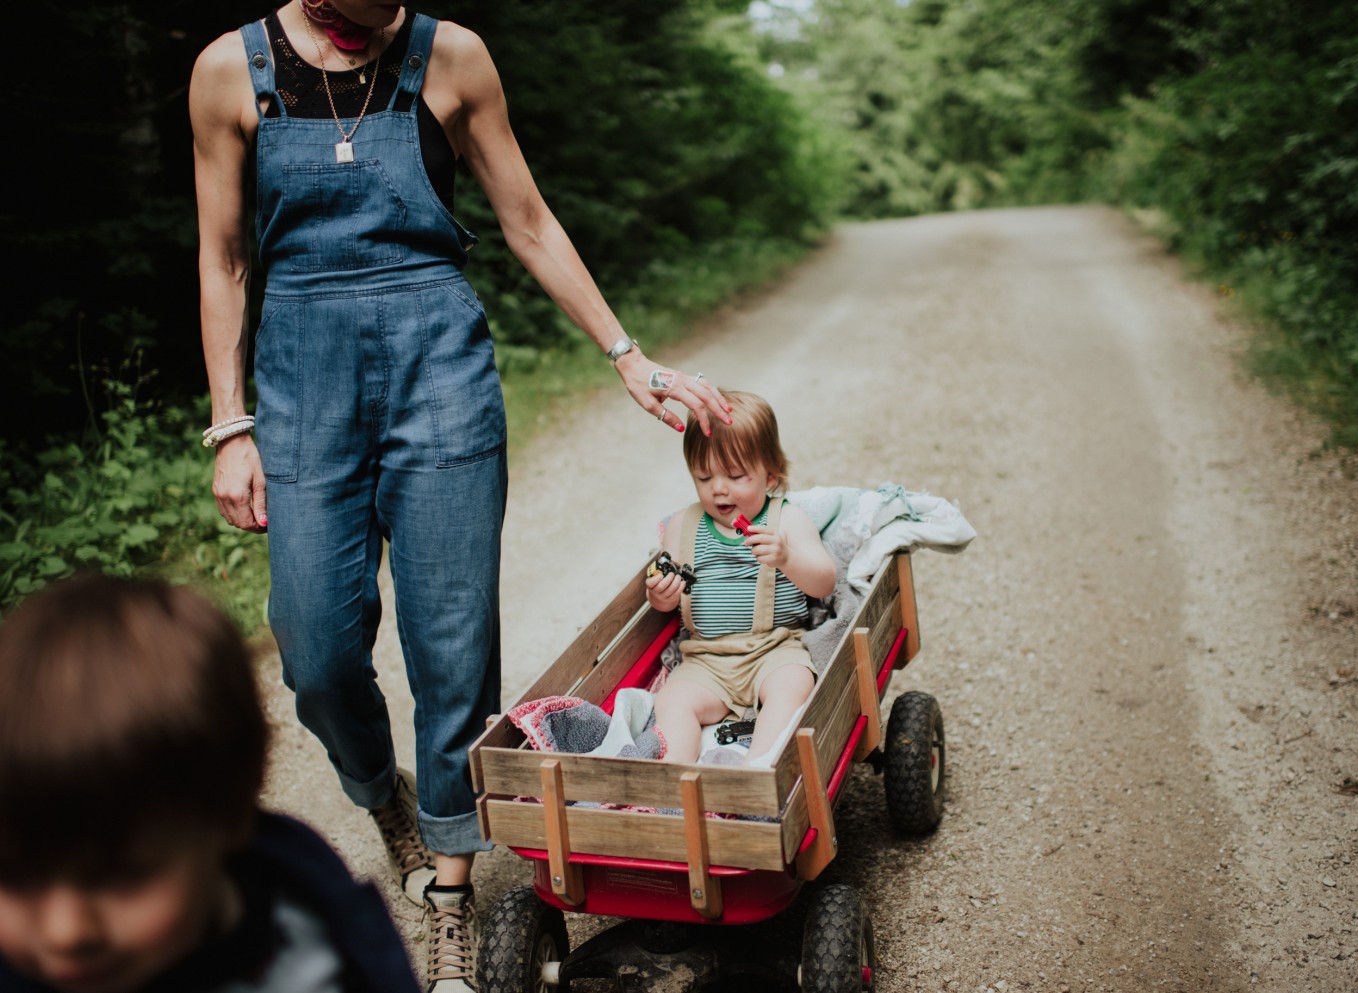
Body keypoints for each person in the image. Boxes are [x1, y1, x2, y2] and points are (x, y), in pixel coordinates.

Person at [189, 3, 730, 989]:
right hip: (302, 373)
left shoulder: (455, 57)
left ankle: (448, 887)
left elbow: (525, 217)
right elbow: (225, 258)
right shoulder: (230, 73)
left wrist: (624, 353)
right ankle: (377, 790)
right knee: (314, 641)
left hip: (437, 358)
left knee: (451, 635)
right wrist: (233, 427)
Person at [0, 574, 422, 993]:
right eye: (15, 876)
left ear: (232, 812)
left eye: (120, 875)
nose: (65, 933)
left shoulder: (299, 881)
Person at [646, 391, 838, 764]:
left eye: (735, 476)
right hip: (706, 659)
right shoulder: (683, 526)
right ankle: (677, 783)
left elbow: (825, 583)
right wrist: (661, 597)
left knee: (794, 685)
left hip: (773, 649)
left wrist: (787, 558)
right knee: (672, 700)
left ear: (771, 475)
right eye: (704, 476)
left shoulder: (787, 520)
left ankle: (759, 772)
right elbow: (665, 593)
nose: (719, 488)